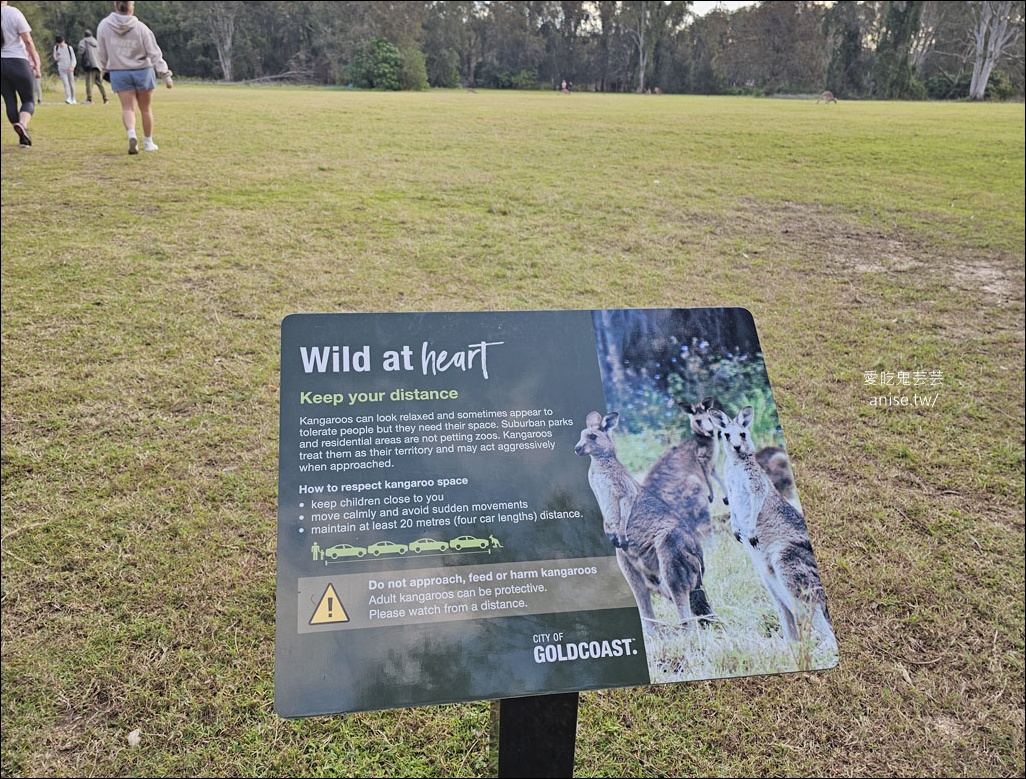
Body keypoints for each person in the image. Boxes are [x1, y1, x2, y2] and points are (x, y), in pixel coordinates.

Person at [96, 0, 172, 155]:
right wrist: (165, 73)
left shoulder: (104, 26)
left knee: (127, 108)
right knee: (146, 109)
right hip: (143, 71)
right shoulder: (141, 28)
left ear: (116, 5)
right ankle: (148, 142)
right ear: (132, 7)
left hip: (119, 72)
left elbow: (101, 52)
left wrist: (103, 69)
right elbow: (154, 52)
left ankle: (131, 134)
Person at [1, 0, 42, 146]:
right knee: (28, 100)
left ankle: (22, 136)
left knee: (9, 101)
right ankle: (22, 125)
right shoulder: (13, 13)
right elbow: (28, 41)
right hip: (17, 61)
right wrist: (36, 63)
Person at [77, 29, 108, 104]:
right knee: (100, 83)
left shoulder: (83, 41)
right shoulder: (96, 42)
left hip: (90, 65)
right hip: (99, 65)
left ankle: (89, 99)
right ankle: (105, 99)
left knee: (89, 83)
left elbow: (81, 51)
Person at [52, 33, 77, 103]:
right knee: (65, 84)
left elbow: (73, 58)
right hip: (61, 68)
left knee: (71, 84)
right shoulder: (56, 48)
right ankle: (68, 97)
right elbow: (55, 58)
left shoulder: (69, 48)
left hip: (69, 68)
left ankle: (73, 98)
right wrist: (57, 56)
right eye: (59, 43)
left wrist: (72, 66)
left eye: (61, 43)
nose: (61, 44)